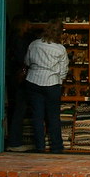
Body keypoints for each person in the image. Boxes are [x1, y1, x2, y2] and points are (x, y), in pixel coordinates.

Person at [22, 19, 68, 153]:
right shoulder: (60, 49)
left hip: (33, 80)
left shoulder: (34, 44)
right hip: (52, 83)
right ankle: (57, 147)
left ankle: (40, 146)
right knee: (53, 117)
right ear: (59, 33)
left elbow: (27, 61)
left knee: (37, 116)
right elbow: (63, 69)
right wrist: (60, 81)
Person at [5, 15, 36, 152]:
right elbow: (22, 59)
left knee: (16, 108)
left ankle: (13, 140)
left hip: (13, 76)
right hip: (18, 78)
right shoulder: (19, 40)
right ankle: (15, 142)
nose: (30, 26)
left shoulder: (11, 38)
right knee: (19, 108)